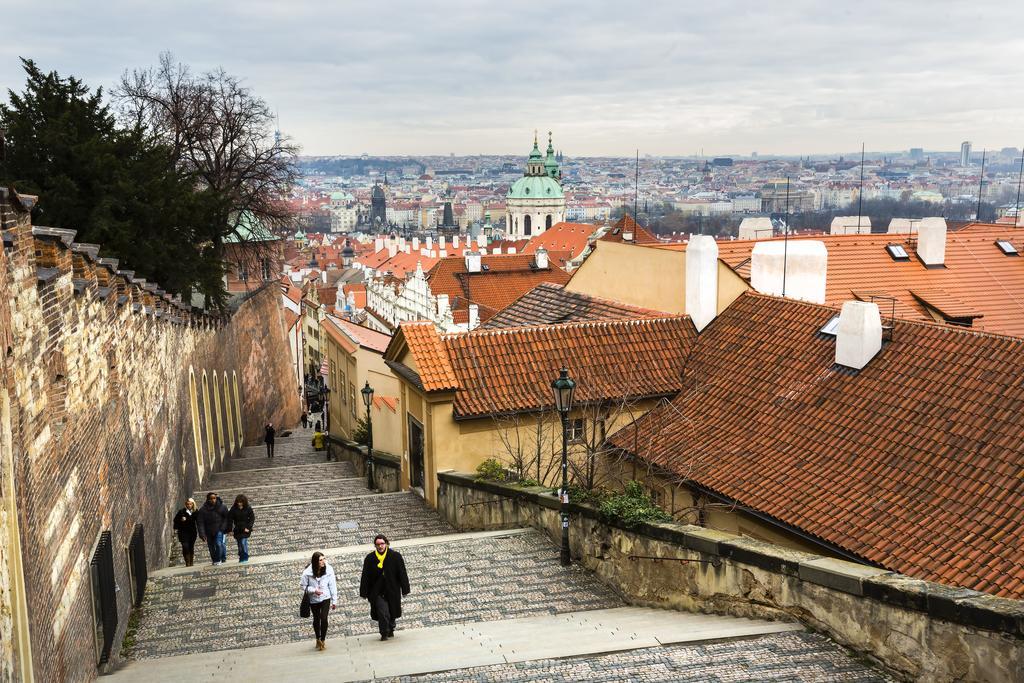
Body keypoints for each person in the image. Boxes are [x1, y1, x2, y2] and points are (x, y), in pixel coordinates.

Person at [359, 534, 410, 641]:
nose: (380, 546)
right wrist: (364, 592)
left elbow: (402, 573)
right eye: (378, 544)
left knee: (391, 611)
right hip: (377, 592)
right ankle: (384, 632)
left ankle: (391, 627)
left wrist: (405, 589)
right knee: (382, 612)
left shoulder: (395, 556)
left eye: (382, 544)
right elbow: (365, 576)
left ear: (386, 543)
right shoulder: (370, 558)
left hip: (392, 590)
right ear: (375, 546)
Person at [301, 552, 337, 651]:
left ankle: (323, 640)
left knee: (324, 618)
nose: (323, 561)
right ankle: (317, 638)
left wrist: (334, 600)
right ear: (315, 562)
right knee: (316, 619)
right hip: (313, 599)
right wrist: (314, 590)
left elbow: (332, 585)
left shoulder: (329, 569)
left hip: (326, 597)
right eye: (320, 560)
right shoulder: (307, 573)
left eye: (324, 559)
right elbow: (303, 587)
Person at [196, 492, 229, 565]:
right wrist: (202, 534)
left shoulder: (222, 506)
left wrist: (224, 528)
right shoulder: (202, 510)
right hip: (209, 531)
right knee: (211, 547)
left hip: (219, 529)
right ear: (207, 499)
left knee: (218, 544)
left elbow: (226, 518)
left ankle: (218, 559)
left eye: (214, 498)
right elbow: (200, 522)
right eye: (211, 499)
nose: (213, 500)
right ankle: (215, 560)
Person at [227, 494, 255, 563]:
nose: (239, 503)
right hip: (237, 529)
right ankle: (241, 556)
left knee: (243, 542)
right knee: (239, 544)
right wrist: (230, 530)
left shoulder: (248, 508)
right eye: (238, 502)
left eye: (241, 502)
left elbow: (252, 518)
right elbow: (230, 520)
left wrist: (248, 527)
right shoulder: (233, 509)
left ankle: (245, 557)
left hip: (245, 528)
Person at [172, 498, 198, 567]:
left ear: (193, 504)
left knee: (191, 547)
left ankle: (191, 561)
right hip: (183, 532)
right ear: (185, 505)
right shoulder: (181, 512)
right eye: (187, 504)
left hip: (192, 532)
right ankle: (187, 562)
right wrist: (181, 520)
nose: (189, 505)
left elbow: (198, 521)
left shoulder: (195, 511)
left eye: (190, 504)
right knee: (185, 546)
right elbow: (175, 520)